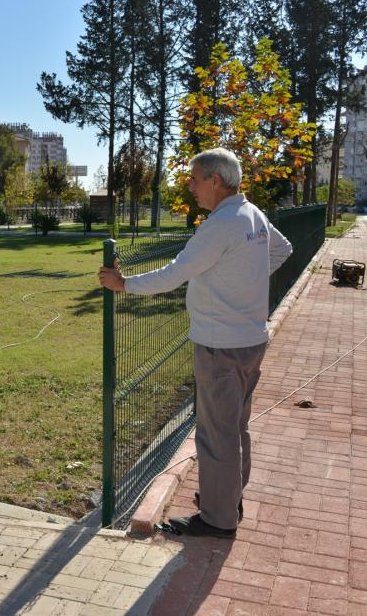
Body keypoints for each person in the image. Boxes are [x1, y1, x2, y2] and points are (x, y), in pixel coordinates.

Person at [98, 148, 292, 538]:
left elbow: (175, 273)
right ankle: (228, 498)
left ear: (215, 180)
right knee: (234, 427)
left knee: (217, 434)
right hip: (250, 340)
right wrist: (242, 277)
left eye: (194, 178)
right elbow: (281, 249)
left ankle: (219, 518)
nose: (190, 186)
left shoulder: (221, 224)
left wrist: (124, 284)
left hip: (221, 345)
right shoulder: (251, 214)